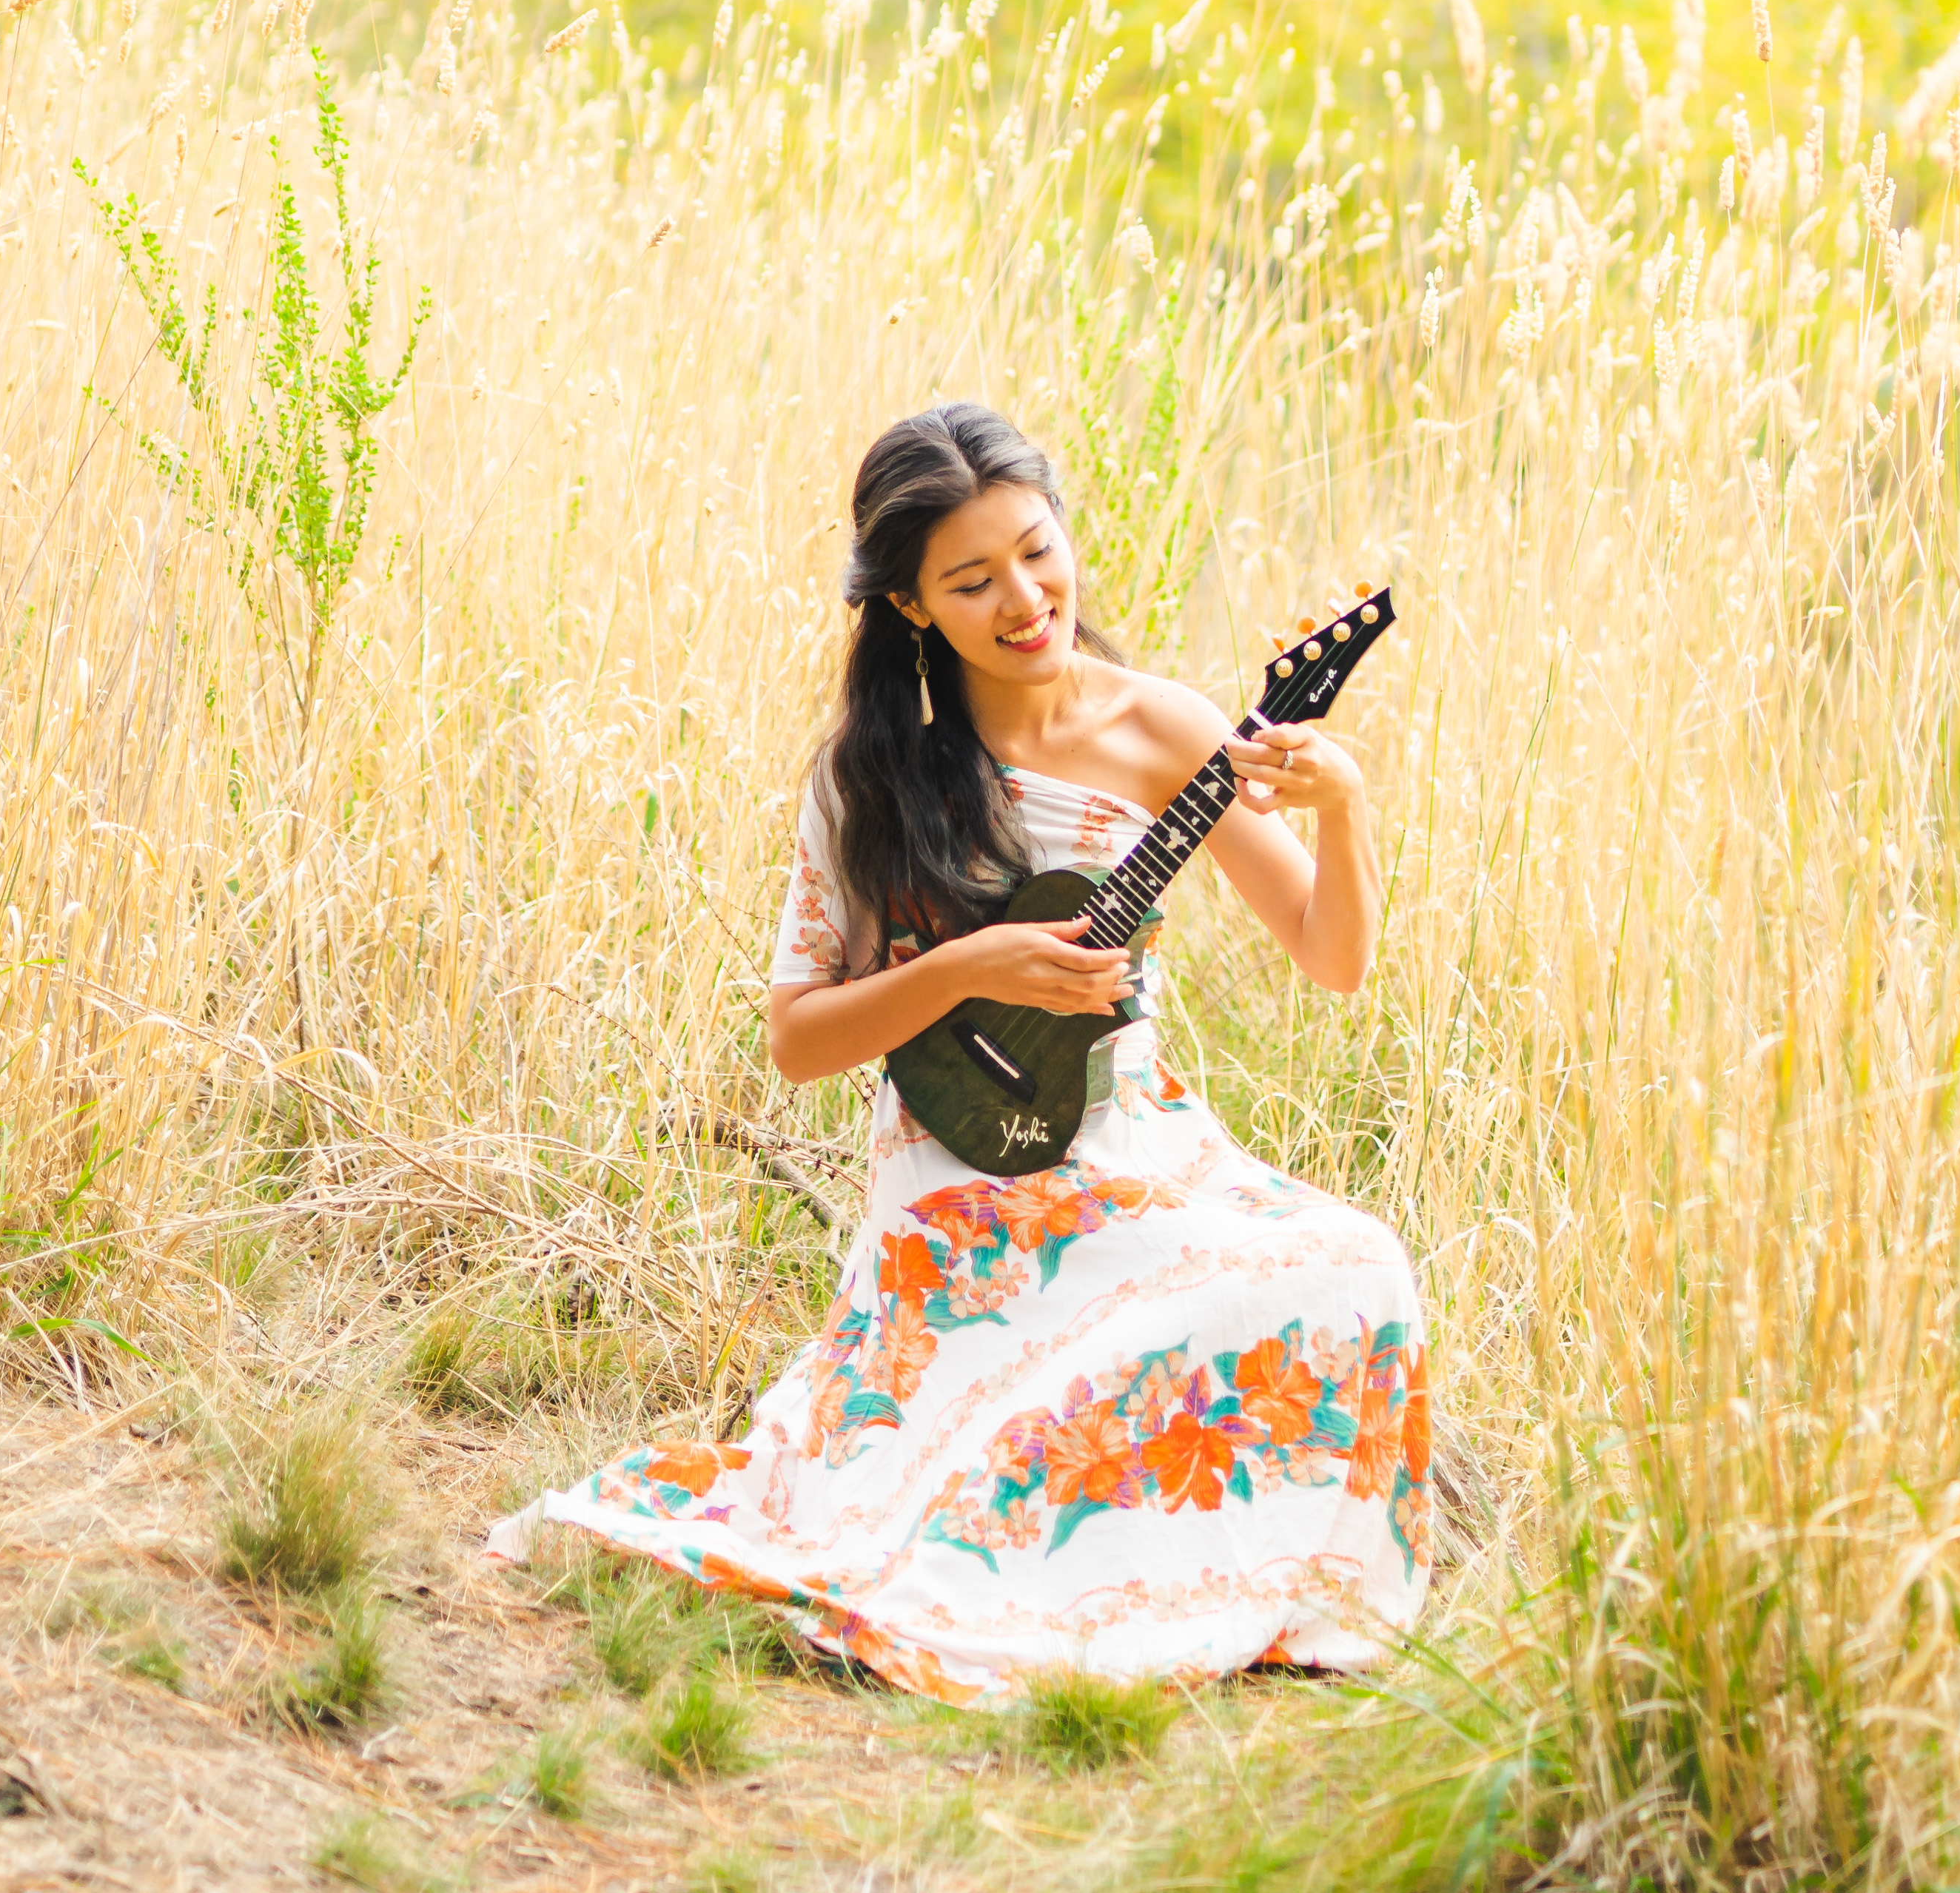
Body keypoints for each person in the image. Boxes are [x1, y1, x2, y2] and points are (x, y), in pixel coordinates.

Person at [492, 397, 1429, 1701]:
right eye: (974, 580)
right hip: (957, 1169)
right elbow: (799, 1043)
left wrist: (1349, 811)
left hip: (1133, 1135)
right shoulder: (874, 776)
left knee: (1359, 1263)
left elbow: (1332, 958)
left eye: (1039, 553)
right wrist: (966, 969)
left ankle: (1221, 1580)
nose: (1026, 599)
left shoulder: (1166, 728)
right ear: (916, 607)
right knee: (1034, 1366)